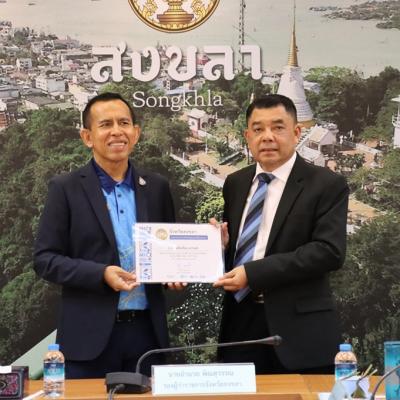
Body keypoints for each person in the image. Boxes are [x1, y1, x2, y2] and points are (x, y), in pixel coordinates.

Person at [34, 92, 182, 378]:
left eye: (124, 123)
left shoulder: (157, 187)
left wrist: (174, 273)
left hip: (147, 336)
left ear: (136, 133)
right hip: (88, 336)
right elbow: (45, 260)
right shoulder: (65, 188)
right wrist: (101, 274)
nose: (117, 131)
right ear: (87, 137)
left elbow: (167, 253)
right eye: (105, 124)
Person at [213, 94, 349, 374]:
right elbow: (242, 249)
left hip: (300, 331)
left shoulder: (326, 184)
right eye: (258, 129)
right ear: (247, 136)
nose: (267, 137)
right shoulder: (236, 183)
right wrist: (222, 247)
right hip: (240, 325)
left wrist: (253, 273)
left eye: (278, 127)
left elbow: (328, 251)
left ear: (297, 133)